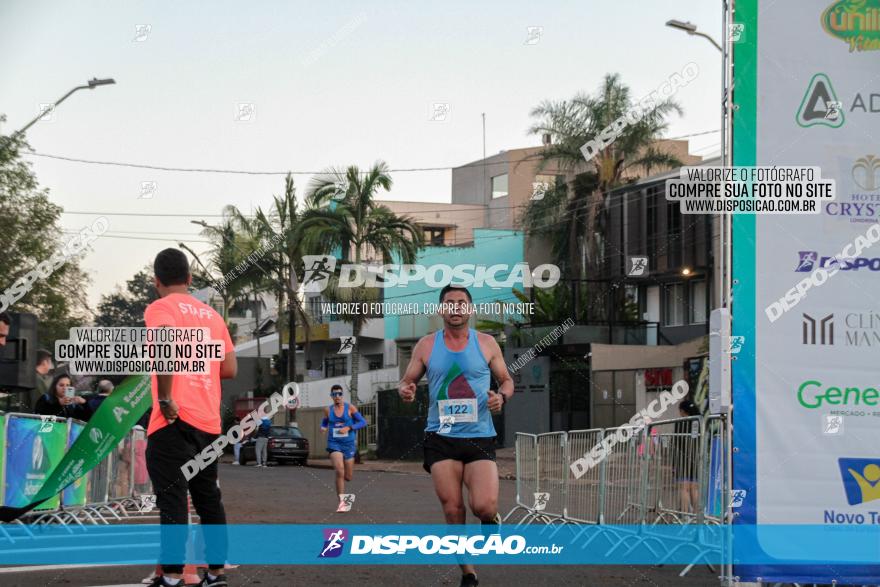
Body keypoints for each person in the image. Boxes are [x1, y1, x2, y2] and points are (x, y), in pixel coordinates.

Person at [398, 284, 513, 587]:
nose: (456, 308)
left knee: (484, 505)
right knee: (453, 509)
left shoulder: (487, 343)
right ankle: (469, 573)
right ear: (441, 309)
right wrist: (406, 390)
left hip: (479, 436)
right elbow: (407, 380)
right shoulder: (425, 345)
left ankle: (491, 521)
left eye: (462, 303)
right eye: (450, 303)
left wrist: (501, 397)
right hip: (441, 437)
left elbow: (507, 380)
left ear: (470, 309)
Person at [144, 248, 237, 587]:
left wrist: (167, 396)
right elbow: (229, 367)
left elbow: (165, 347)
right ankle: (216, 572)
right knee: (208, 498)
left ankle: (170, 576)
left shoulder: (160, 307)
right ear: (190, 279)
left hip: (174, 421)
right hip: (209, 423)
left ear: (156, 281)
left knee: (172, 498)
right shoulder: (212, 316)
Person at [320, 384, 367, 512]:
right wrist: (323, 427)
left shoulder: (350, 408)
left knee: (348, 476)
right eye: (335, 394)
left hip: (348, 444)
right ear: (331, 396)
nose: (337, 397)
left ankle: (346, 480)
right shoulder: (328, 410)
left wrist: (349, 427)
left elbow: (363, 422)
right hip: (334, 443)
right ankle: (342, 503)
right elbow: (325, 421)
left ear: (342, 395)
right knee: (339, 471)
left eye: (339, 394)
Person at [673, 399, 701, 516]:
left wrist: (674, 463)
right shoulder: (699, 421)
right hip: (695, 459)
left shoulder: (680, 423)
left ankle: (684, 516)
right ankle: (697, 515)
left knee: (684, 488)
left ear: (683, 411)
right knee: (694, 489)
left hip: (682, 459)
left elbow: (676, 443)